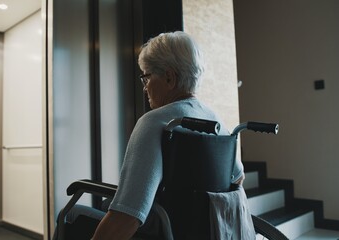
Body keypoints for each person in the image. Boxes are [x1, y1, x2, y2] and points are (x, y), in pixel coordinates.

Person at [70, 31, 245, 240]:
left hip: (161, 231)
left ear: (169, 78)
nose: (145, 88)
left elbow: (128, 217)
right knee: (107, 204)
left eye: (146, 77)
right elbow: (238, 179)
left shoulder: (156, 122)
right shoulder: (217, 122)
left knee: (72, 213)